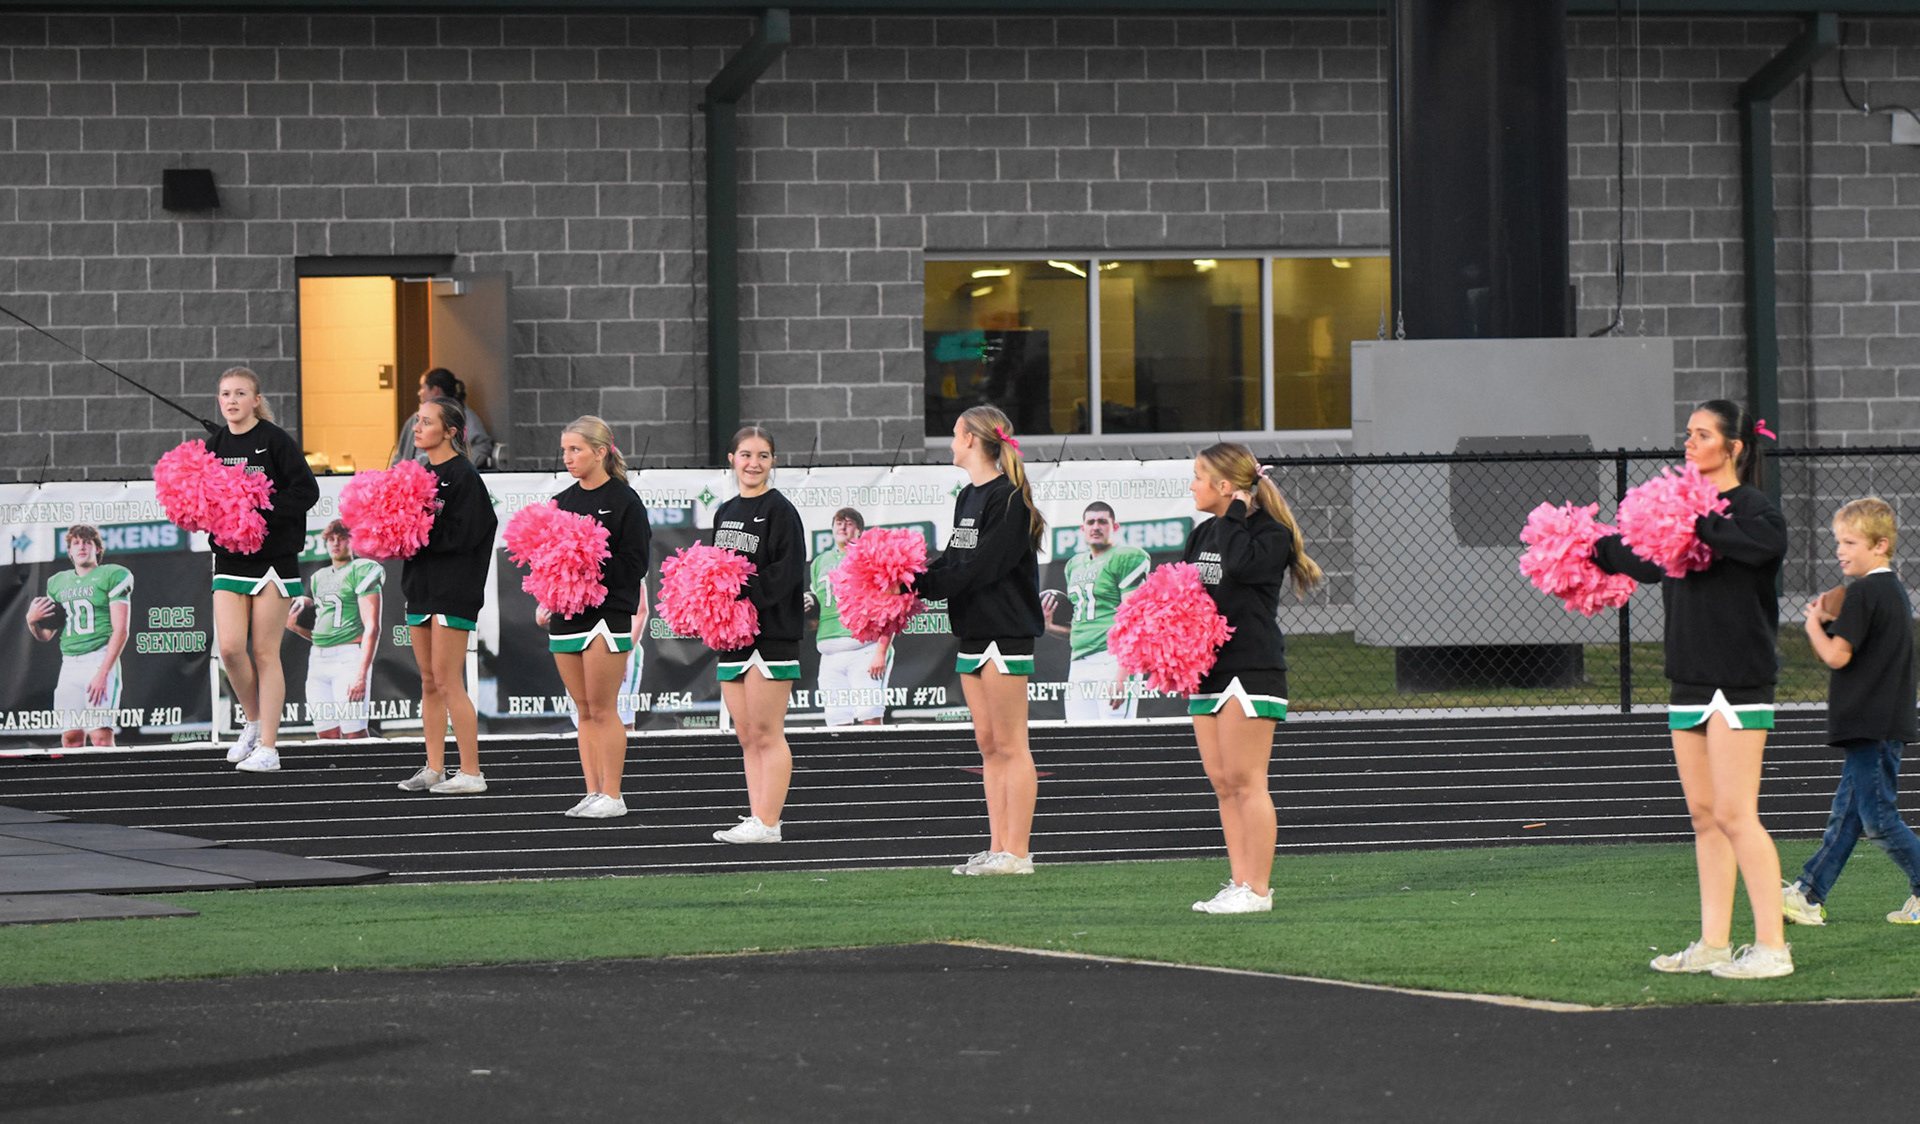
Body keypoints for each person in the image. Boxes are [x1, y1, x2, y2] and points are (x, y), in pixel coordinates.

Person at [1593, 400, 1793, 979]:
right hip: (1689, 678)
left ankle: (1773, 947)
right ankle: (1713, 943)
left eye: (1703, 435)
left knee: (1736, 814)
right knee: (1704, 816)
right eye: (1688, 434)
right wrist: (1593, 547)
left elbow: (1765, 547)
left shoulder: (1753, 509)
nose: (1689, 443)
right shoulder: (1675, 511)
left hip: (1739, 678)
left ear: (1734, 448)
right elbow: (1642, 558)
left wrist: (1698, 522)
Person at [1183, 445, 1322, 914]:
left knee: (1247, 781)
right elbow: (1186, 596)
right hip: (1209, 669)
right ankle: (1239, 881)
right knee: (1223, 783)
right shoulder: (1202, 533)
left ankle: (1258, 890)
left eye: (1199, 476)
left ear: (1226, 486)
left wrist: (1237, 513)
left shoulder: (1270, 534)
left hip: (1251, 667)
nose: (1192, 486)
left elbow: (1241, 565)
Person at [914, 405, 1046, 876]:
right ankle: (997, 847)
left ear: (971, 439)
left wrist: (921, 586)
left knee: (1011, 744)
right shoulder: (968, 497)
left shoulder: (1008, 499)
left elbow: (981, 568)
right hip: (972, 631)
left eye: (954, 434)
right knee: (988, 745)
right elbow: (953, 559)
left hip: (1005, 632)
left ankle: (1018, 853)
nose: (951, 442)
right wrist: (906, 575)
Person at [1783, 497, 1920, 927]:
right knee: (1847, 817)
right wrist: (1830, 620)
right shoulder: (1893, 591)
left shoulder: (1862, 592)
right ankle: (1808, 894)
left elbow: (1837, 656)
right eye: (1838, 541)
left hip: (1870, 724)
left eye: (1850, 542)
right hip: (1882, 723)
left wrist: (1813, 624)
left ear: (1880, 545)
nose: (1840, 550)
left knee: (1878, 820)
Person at [207, 366, 320, 774]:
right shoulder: (214, 445)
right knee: (230, 648)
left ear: (256, 400)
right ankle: (253, 723)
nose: (232, 400)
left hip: (273, 559)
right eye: (225, 394)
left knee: (264, 652)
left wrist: (260, 509)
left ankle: (269, 748)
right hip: (230, 559)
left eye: (240, 393)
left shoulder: (275, 441)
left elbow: (307, 491)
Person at [540, 416, 652, 819]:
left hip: (607, 615)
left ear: (601, 452)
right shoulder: (561, 502)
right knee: (582, 710)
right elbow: (547, 561)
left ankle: (614, 795)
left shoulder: (625, 501)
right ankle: (592, 791)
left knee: (604, 709)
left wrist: (589, 564)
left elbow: (635, 563)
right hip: (567, 616)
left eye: (576, 449)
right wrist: (547, 596)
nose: (568, 458)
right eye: (565, 450)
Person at [395, 396, 497, 795]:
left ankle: (471, 772)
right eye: (417, 421)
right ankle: (434, 767)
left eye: (426, 422)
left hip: (453, 591)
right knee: (428, 681)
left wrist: (422, 527)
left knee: (447, 679)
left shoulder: (465, 476)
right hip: (420, 587)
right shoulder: (420, 472)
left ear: (450, 431)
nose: (417, 428)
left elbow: (471, 533)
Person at [710, 426, 807, 843]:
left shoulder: (781, 510)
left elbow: (788, 571)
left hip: (772, 632)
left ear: (773, 462)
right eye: (746, 455)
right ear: (732, 459)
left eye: (763, 456)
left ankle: (770, 822)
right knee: (746, 734)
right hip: (733, 635)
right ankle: (757, 818)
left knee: (767, 732)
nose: (754, 463)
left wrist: (739, 589)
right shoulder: (725, 511)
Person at [1043, 502, 1151, 722]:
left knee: (1115, 736)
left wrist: (1122, 675)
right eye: (1090, 522)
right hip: (1079, 662)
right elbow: (1083, 629)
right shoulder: (1074, 565)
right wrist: (1049, 626)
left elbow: (1134, 619)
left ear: (1115, 526)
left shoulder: (1126, 557)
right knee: (1080, 736)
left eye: (1102, 521)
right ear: (1082, 528)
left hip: (1112, 660)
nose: (1096, 526)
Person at [26, 525, 132, 748]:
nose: (81, 547)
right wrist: (32, 621)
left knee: (100, 736)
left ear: (97, 548)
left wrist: (103, 673)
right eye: (76, 543)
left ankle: (112, 773)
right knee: (71, 737)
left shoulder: (112, 575)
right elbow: (46, 635)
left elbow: (121, 630)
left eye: (87, 542)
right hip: (69, 664)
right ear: (70, 551)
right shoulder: (57, 583)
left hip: (99, 658)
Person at [286, 520, 383, 740]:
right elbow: (322, 634)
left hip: (348, 658)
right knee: (326, 735)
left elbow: (372, 626)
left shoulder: (362, 569)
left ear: (352, 541)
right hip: (318, 660)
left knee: (354, 733)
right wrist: (294, 626)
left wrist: (361, 675)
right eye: (331, 539)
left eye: (342, 538)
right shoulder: (318, 578)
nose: (336, 543)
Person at [807, 507, 894, 727]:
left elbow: (891, 606)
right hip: (829, 652)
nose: (843, 527)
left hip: (864, 649)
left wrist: (881, 652)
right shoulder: (819, 562)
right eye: (839, 523)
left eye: (849, 523)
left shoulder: (870, 558)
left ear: (860, 530)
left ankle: (876, 753)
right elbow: (820, 603)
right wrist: (809, 603)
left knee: (869, 715)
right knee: (836, 720)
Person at [391, 367, 495, 469]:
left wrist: (458, 468)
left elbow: (481, 445)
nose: (419, 392)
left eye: (422, 387)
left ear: (435, 390)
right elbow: (400, 456)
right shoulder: (415, 419)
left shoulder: (463, 416)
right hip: (414, 478)